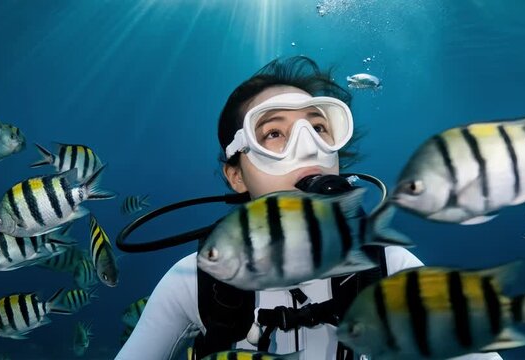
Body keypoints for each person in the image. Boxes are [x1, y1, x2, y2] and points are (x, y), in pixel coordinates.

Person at [115, 56, 501, 360]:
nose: (309, 146)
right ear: (236, 175)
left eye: (318, 127)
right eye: (273, 133)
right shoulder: (196, 279)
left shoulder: (389, 266)